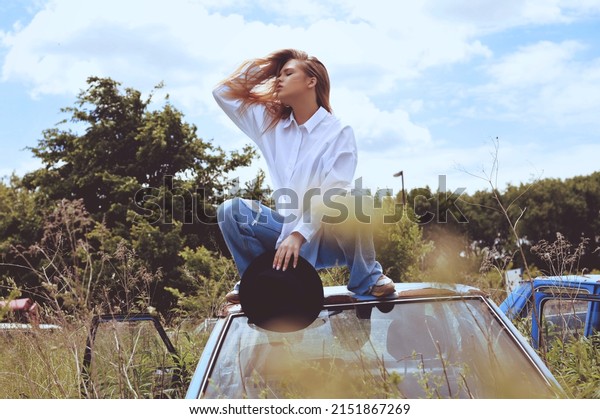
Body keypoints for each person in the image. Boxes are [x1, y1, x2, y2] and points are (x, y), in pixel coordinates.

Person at [213, 49, 394, 302]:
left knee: (354, 199)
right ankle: (260, 281)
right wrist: (269, 66)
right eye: (278, 75)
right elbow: (222, 93)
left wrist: (299, 235)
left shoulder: (338, 131)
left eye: (287, 73)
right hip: (283, 236)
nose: (279, 79)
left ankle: (367, 279)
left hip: (329, 239)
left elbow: (333, 192)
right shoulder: (271, 125)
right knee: (230, 211)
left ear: (311, 81)